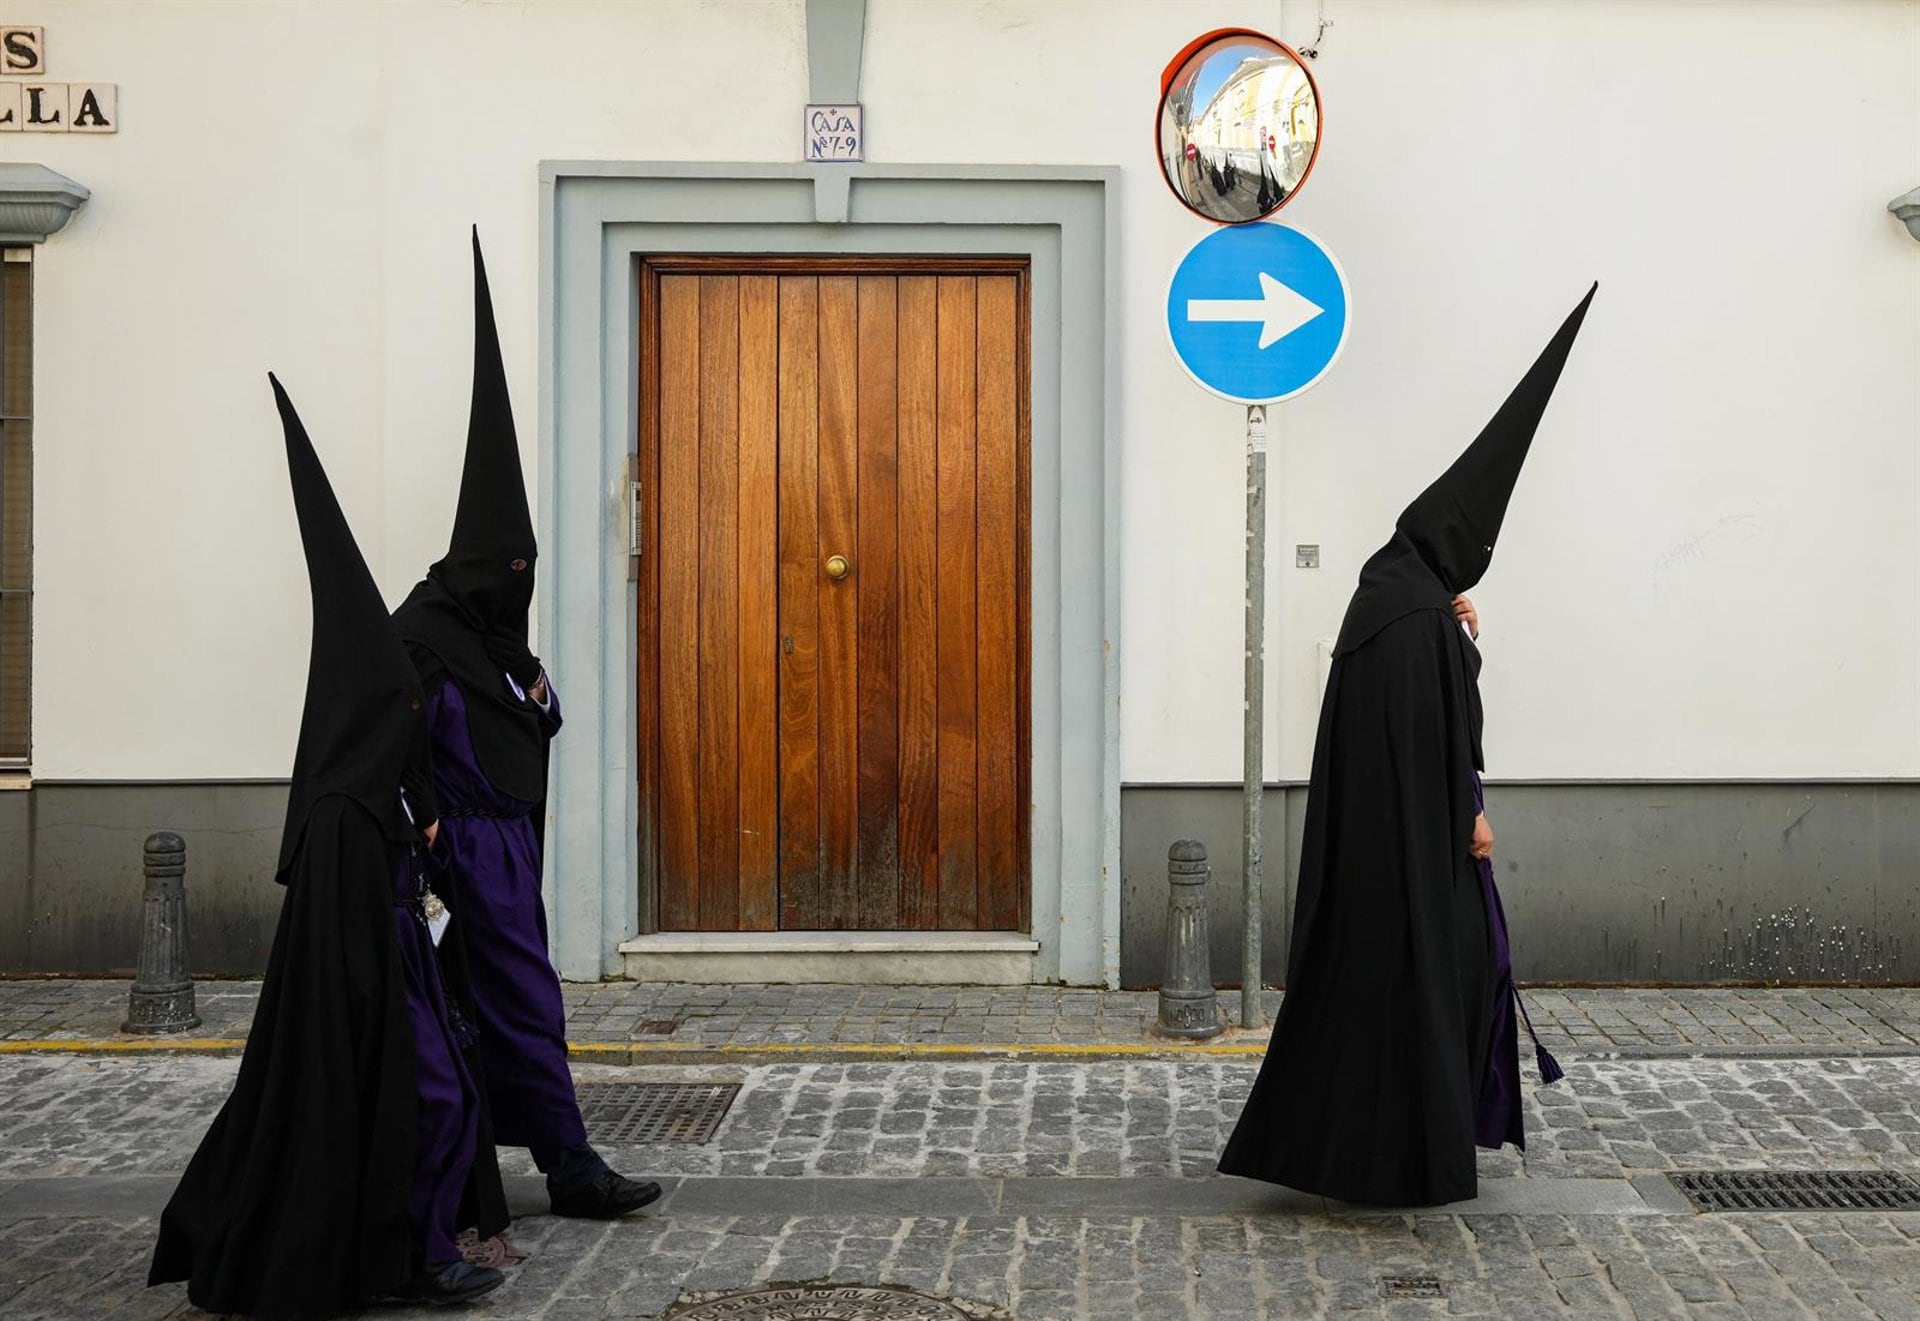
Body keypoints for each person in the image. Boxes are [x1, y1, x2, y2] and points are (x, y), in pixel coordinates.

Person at [1218, 285, 1597, 1207]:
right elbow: (1445, 739)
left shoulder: (1385, 602)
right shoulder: (1423, 620)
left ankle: (1357, 1148)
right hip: (1423, 861)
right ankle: (1419, 1150)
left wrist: (1458, 634)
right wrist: (1472, 818)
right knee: (1453, 978)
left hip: (1366, 860)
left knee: (1372, 994)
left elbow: (1421, 715)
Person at [149, 376, 509, 1316]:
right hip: (371, 994)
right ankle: (416, 1257)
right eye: (401, 710)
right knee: (431, 1100)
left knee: (449, 1099)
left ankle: (418, 1248)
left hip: (404, 978)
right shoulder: (343, 812)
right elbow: (345, 939)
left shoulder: (385, 786)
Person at [393, 231, 659, 1220]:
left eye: (527, 575)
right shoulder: (421, 636)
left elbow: (537, 721)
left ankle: (522, 1161)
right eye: (508, 574)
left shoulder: (500, 642)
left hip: (510, 850)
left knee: (498, 1009)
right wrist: (418, 830)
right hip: (453, 852)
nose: (520, 590)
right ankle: (567, 1165)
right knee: (503, 1006)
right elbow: (389, 740)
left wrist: (533, 691)